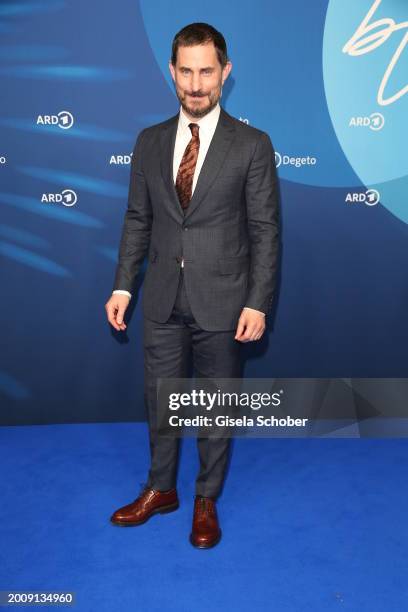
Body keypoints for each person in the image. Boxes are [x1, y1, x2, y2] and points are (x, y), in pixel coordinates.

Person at [105, 22, 280, 548]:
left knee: (214, 403)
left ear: (225, 73)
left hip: (224, 300)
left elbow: (265, 232)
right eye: (187, 71)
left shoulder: (251, 145)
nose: (196, 84)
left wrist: (258, 301)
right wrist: (122, 288)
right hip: (159, 297)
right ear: (172, 72)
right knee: (160, 401)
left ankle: (205, 497)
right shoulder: (149, 141)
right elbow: (138, 219)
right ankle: (162, 490)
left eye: (207, 71)